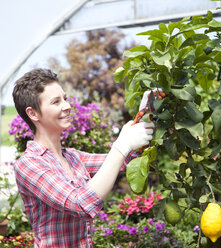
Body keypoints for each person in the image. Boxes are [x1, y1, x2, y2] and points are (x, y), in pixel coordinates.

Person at [12, 68, 154, 248]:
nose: (67, 106)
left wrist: (143, 120)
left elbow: (125, 160)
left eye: (65, 98)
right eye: (56, 102)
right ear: (33, 114)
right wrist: (122, 144)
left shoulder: (73, 157)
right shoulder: (29, 164)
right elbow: (81, 204)